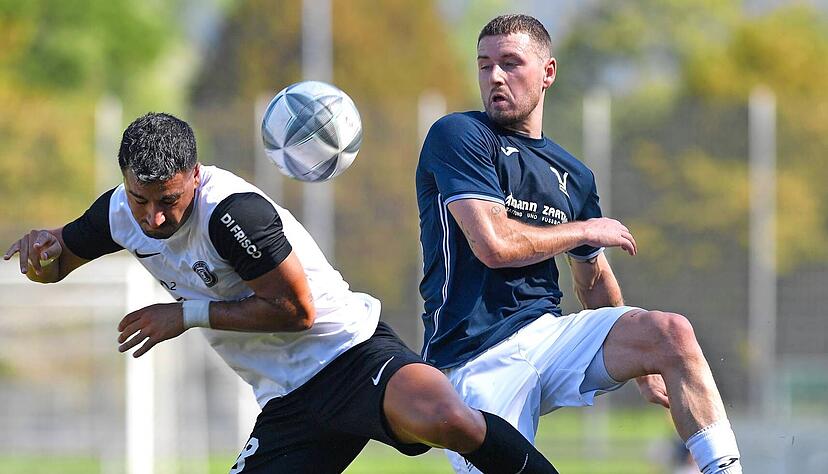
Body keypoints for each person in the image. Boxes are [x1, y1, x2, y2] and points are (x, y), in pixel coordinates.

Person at [4, 112, 560, 474]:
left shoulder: (233, 215)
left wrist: (185, 315)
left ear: (194, 176)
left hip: (347, 354)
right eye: (141, 198)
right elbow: (57, 265)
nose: (154, 217)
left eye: (168, 200)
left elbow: (296, 311)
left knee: (447, 418)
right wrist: (41, 254)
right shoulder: (119, 213)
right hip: (286, 398)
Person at [415, 14, 741, 474]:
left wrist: (647, 369)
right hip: (475, 355)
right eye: (485, 64)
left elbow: (593, 280)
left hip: (549, 336)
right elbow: (493, 245)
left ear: (548, 72)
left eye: (511, 63)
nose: (495, 77)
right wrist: (585, 230)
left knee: (670, 333)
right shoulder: (460, 135)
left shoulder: (573, 175)